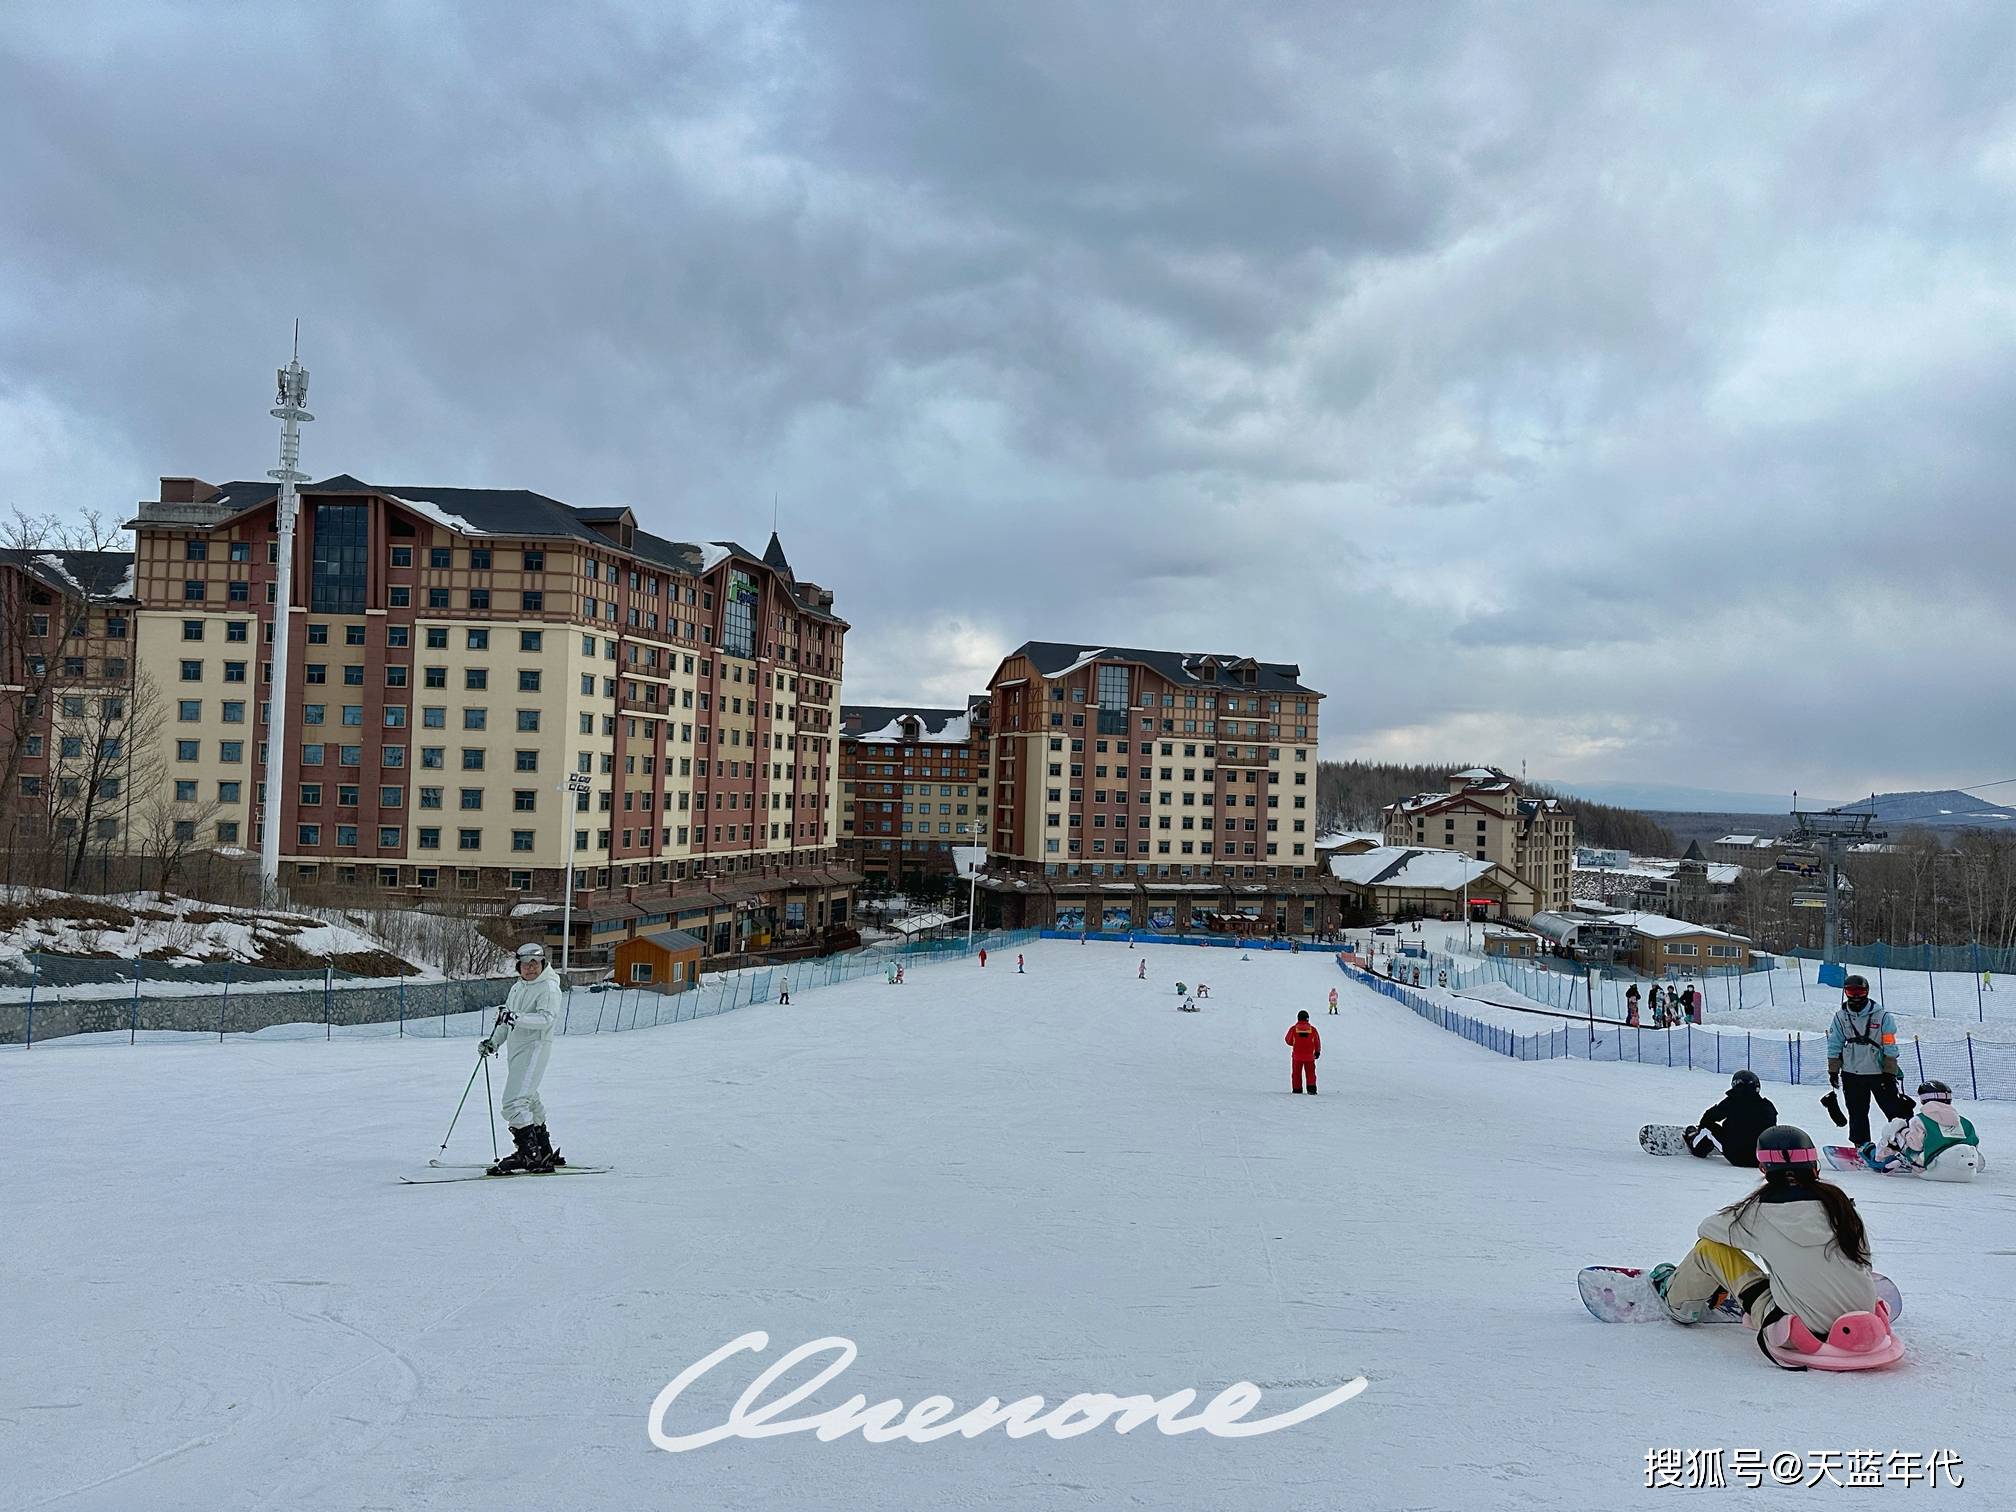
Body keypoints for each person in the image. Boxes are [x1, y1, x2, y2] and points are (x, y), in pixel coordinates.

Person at [1650, 1125, 1895, 1369]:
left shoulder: (1756, 1214)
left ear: (1763, 1168)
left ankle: (1680, 1304)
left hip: (1799, 1328)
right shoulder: (1842, 1207)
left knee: (1708, 1249)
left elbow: (1707, 1229)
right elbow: (1864, 1260)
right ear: (1814, 1165)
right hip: (1864, 1319)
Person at [480, 943, 565, 1174]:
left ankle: (530, 1156)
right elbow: (506, 1021)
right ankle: (543, 1149)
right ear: (519, 966)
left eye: (534, 964)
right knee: (528, 1099)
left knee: (514, 1101)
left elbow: (546, 1019)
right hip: (518, 1050)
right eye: (526, 964)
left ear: (542, 964)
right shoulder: (518, 987)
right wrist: (494, 1042)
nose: (530, 968)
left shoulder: (548, 988)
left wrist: (515, 1017)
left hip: (535, 1048)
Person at [1826, 975, 1909, 1146]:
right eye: (1851, 991)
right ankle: (1861, 1145)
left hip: (1879, 1073)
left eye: (1860, 991)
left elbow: (1890, 1045)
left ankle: (1907, 1143)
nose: (1856, 996)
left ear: (1867, 992)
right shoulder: (1841, 1017)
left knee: (1894, 1110)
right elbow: (1835, 1043)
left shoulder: (1882, 1016)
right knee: (1857, 1112)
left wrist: (1889, 1071)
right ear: (1845, 992)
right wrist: (1833, 1070)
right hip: (1852, 1072)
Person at [1865, 1080, 1983, 1181]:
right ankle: (1900, 1160)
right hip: (1966, 1172)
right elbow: (1974, 1143)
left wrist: (1903, 1132)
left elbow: (1915, 1146)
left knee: (1897, 1130)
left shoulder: (1920, 1120)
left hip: (1933, 1169)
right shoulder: (1964, 1122)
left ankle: (1874, 1156)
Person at [1685, 1069, 1778, 1166]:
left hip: (1737, 1156)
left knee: (1708, 1128)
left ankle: (1696, 1145)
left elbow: (1709, 1117)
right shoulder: (1767, 1106)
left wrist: (1702, 1128)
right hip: (1761, 1159)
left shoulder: (1732, 1102)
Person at [1285, 1009, 1321, 1094]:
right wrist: (1317, 1051)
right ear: (1307, 1019)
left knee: (1296, 1074)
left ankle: (1297, 1089)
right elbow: (1317, 1041)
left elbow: (1288, 1040)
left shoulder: (1293, 1029)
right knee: (1310, 1073)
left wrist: (1295, 1043)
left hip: (1297, 1056)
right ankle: (1311, 1089)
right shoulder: (1313, 1029)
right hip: (1309, 1057)